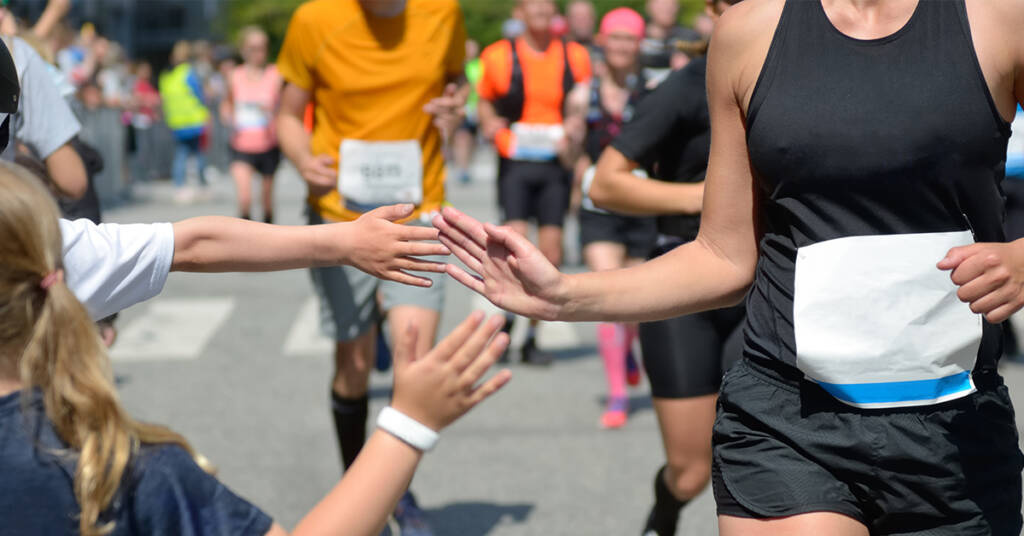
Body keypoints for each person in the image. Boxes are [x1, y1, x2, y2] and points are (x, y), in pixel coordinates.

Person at [435, 0, 1024, 533]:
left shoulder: (1000, 19)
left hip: (955, 426)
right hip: (787, 416)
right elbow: (724, 257)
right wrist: (561, 295)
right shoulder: (749, 32)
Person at [0, 161, 512, 536]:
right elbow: (194, 243)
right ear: (52, 276)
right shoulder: (112, 470)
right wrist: (409, 424)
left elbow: (198, 244)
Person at [276, 1, 468, 533]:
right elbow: (287, 114)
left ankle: (393, 496)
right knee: (354, 366)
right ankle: (357, 486)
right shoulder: (315, 20)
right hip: (342, 218)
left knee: (413, 363)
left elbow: (456, 82)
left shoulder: (443, 12)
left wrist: (456, 105)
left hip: (418, 211)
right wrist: (302, 161)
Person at [588, 2, 742, 532]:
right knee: (691, 470)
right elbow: (605, 183)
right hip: (686, 289)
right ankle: (663, 518)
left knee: (759, 460)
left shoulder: (799, 77)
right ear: (714, 11)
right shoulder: (684, 87)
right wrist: (699, 198)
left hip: (766, 289)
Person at [477, 0, 591, 365]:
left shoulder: (574, 55)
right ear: (520, 14)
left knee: (552, 254)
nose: (542, 14)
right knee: (515, 247)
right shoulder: (498, 55)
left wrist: (575, 127)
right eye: (535, 8)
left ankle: (533, 338)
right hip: (515, 161)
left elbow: (579, 107)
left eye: (548, 8)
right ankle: (508, 326)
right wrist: (490, 123)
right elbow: (484, 101)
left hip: (554, 163)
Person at [563, 7, 654, 429]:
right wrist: (572, 142)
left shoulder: (654, 93)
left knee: (634, 303)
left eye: (628, 39)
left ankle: (628, 350)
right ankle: (618, 393)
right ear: (602, 42)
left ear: (639, 44)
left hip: (640, 206)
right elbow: (569, 157)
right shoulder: (583, 95)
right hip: (598, 207)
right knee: (608, 299)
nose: (620, 46)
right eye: (614, 38)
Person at [222, 25, 281, 223]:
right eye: (253, 48)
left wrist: (273, 113)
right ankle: (246, 247)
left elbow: (285, 109)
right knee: (245, 199)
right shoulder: (234, 76)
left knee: (266, 201)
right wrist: (228, 116)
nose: (259, 53)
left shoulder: (275, 74)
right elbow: (227, 104)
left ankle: (269, 246)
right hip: (241, 144)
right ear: (243, 50)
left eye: (262, 47)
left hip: (268, 144)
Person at [159, 40, 210, 204]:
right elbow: (199, 94)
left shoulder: (166, 76)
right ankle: (201, 185)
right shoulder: (187, 73)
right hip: (193, 119)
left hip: (176, 121)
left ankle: (179, 186)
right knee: (198, 154)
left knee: (181, 154)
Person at [639, 0, 700, 87]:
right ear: (648, 6)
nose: (667, 8)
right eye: (662, 3)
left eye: (672, 4)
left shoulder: (689, 37)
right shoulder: (637, 36)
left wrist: (689, 66)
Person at [452, 38, 482, 186]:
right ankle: (462, 168)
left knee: (473, 140)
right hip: (463, 107)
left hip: (478, 107)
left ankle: (468, 164)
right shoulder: (458, 66)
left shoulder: (481, 65)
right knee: (462, 137)